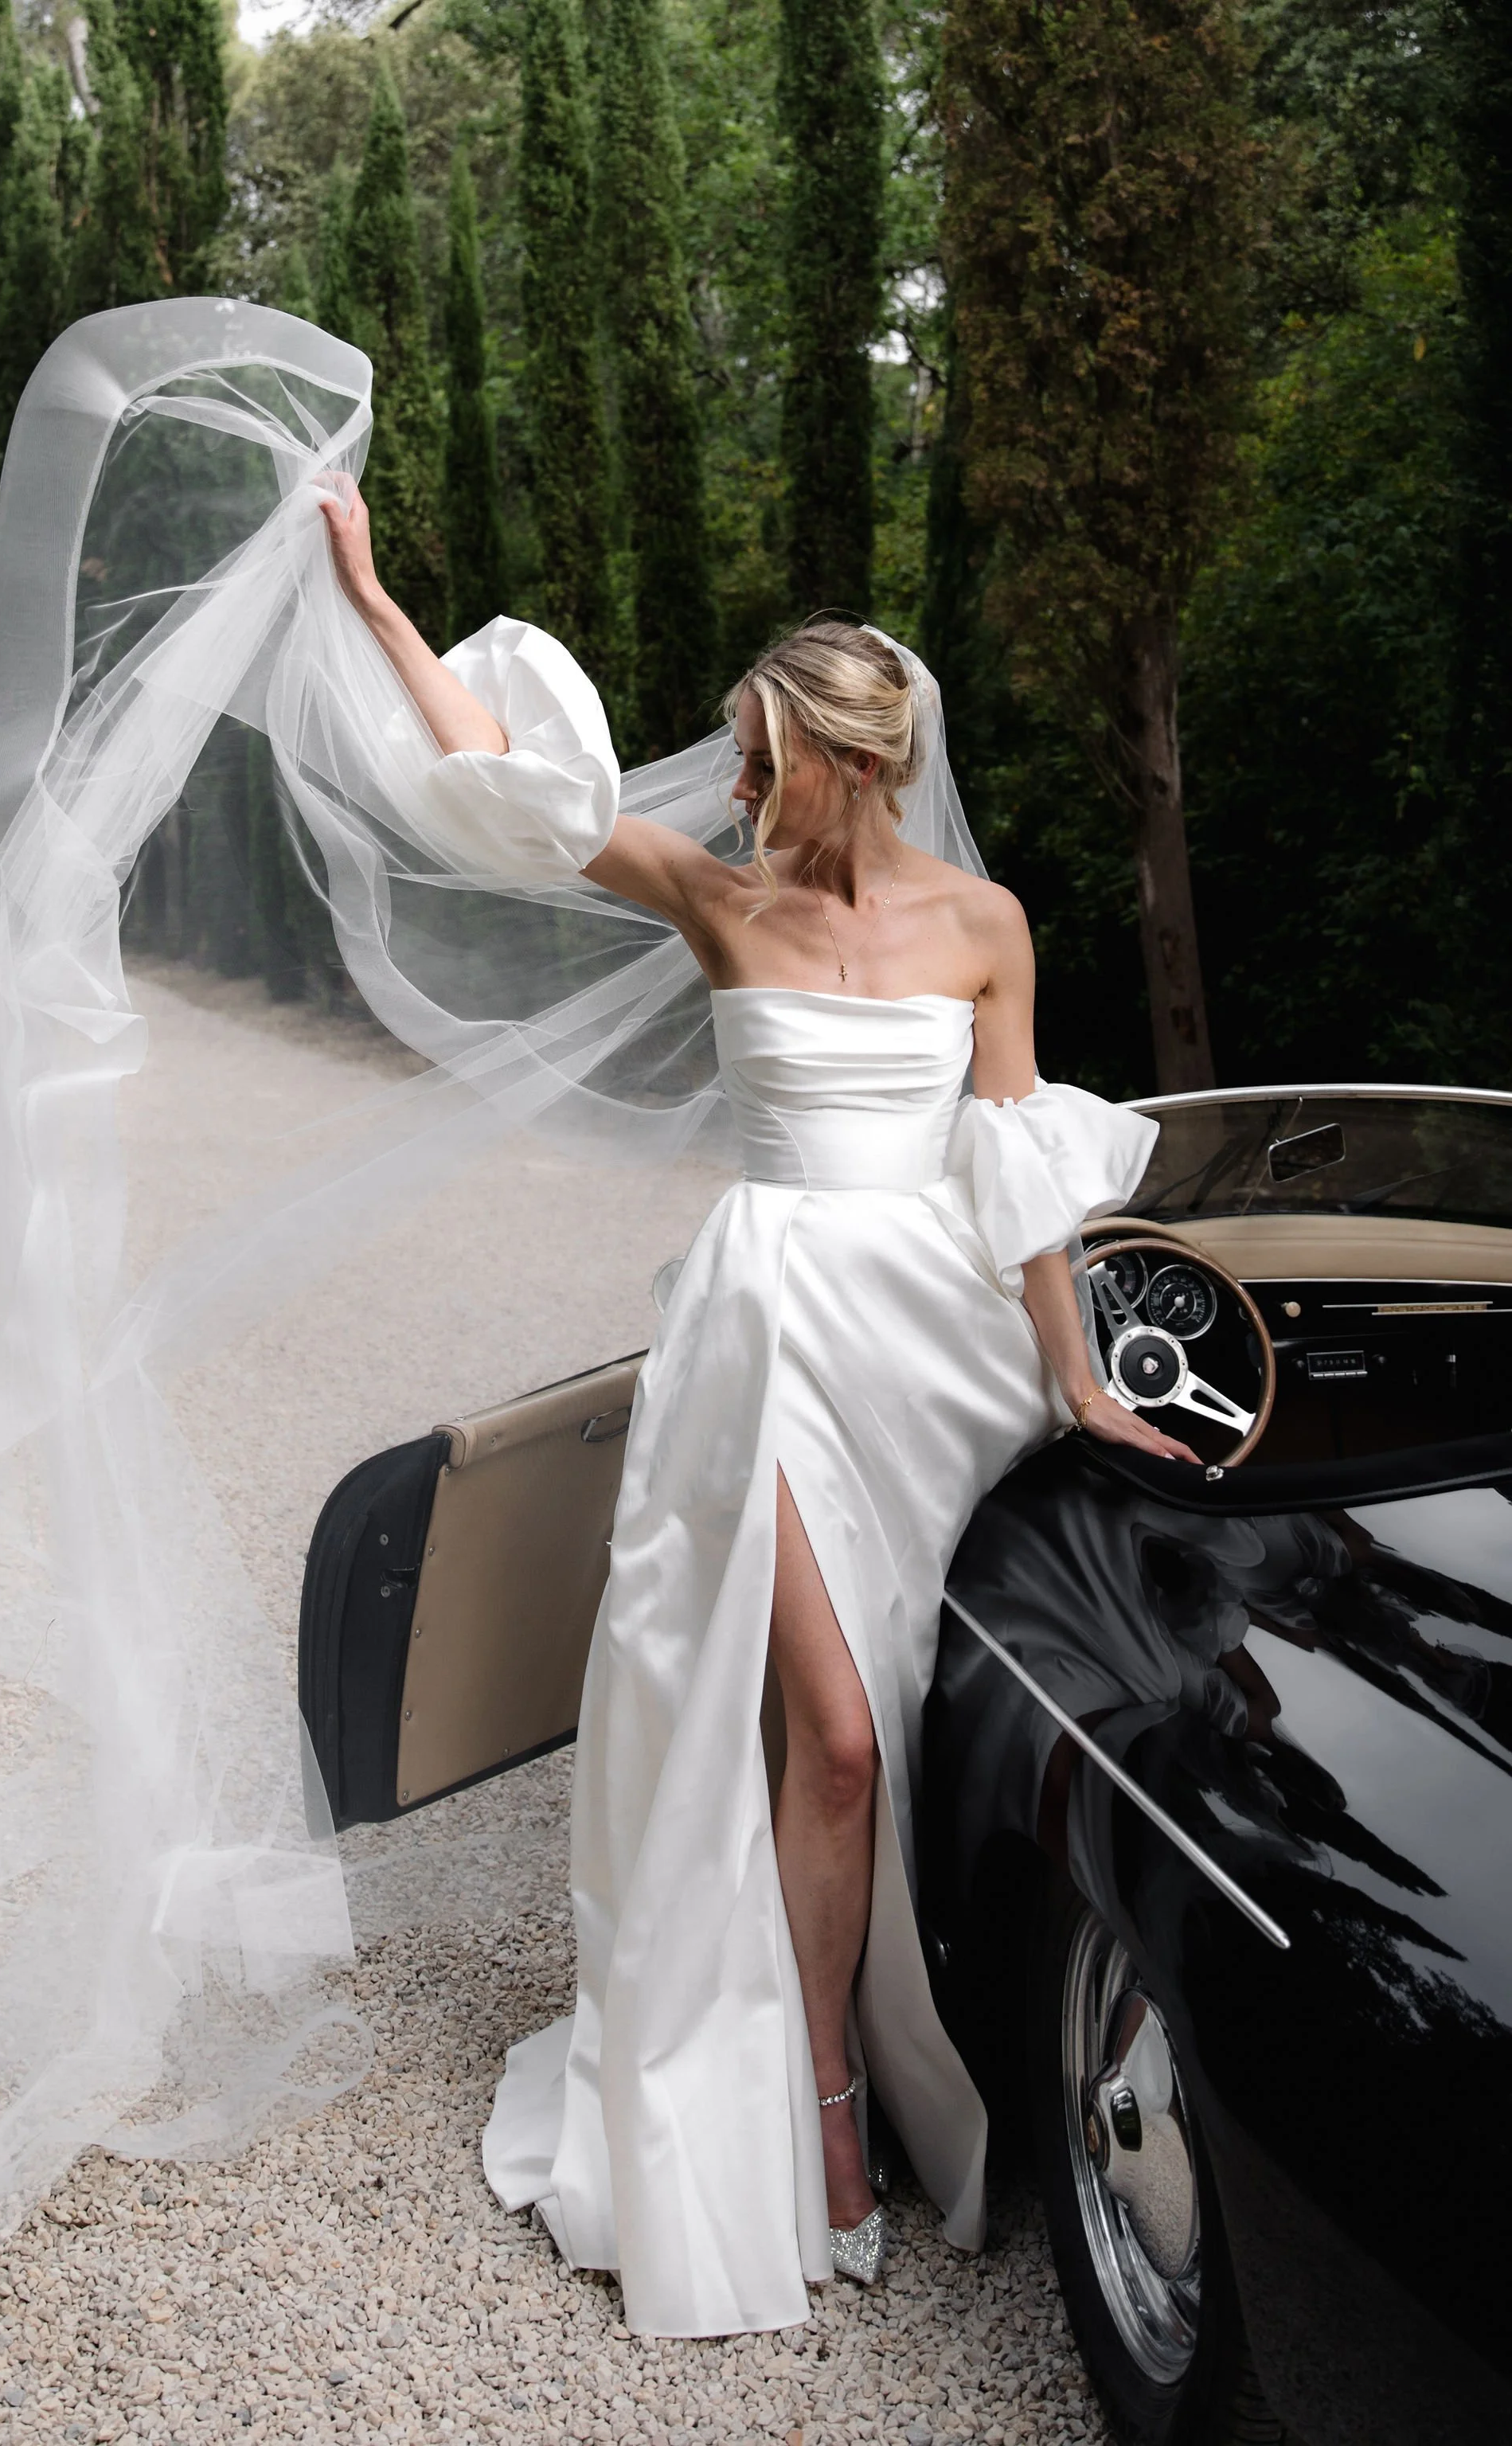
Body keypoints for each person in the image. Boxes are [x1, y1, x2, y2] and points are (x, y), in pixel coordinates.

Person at [320, 474, 1198, 2336]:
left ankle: (894, 2021)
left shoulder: (986, 925)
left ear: (848, 760)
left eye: (754, 756)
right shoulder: (715, 897)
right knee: (836, 1736)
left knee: (905, 1713)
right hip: (769, 1334)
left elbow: (1016, 1169)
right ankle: (821, 2116)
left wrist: (1074, 1380)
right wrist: (382, 605)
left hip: (930, 1355)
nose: (727, 790)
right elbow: (509, 788)